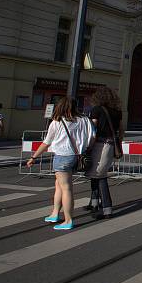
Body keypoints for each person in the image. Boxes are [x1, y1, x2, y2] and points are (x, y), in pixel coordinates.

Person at [26, 97, 94, 231]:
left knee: (66, 188)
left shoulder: (56, 122)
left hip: (62, 157)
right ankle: (55, 213)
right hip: (76, 156)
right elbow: (92, 137)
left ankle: (68, 220)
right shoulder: (85, 120)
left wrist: (33, 157)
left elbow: (47, 142)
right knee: (59, 185)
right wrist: (85, 149)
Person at [86, 87, 122, 219]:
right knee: (96, 173)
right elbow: (121, 131)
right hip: (111, 145)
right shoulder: (117, 112)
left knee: (99, 176)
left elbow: (92, 130)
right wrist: (117, 145)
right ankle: (94, 203)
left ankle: (107, 209)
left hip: (99, 145)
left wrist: (88, 145)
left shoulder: (96, 110)